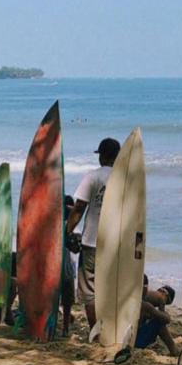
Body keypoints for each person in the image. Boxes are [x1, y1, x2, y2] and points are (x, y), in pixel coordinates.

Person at [65, 137, 121, 329]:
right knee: (109, 287)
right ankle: (111, 328)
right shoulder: (125, 178)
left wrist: (67, 231)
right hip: (116, 243)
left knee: (89, 289)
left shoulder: (93, 177)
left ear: (102, 156)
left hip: (91, 242)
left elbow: (79, 207)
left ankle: (96, 332)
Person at [61, 195, 78, 336]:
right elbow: (75, 248)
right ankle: (65, 327)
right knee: (67, 301)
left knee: (65, 301)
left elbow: (74, 248)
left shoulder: (67, 228)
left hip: (63, 269)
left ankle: (66, 325)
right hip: (65, 270)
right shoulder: (67, 228)